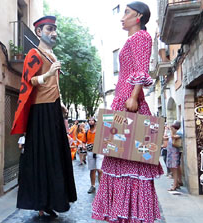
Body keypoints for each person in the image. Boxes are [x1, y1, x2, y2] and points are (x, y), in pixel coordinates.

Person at [92, 2, 163, 222]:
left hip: (129, 101)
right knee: (120, 157)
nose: (122, 17)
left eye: (127, 13)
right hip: (122, 99)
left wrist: (133, 96)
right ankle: (124, 213)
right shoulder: (131, 39)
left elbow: (142, 69)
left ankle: (132, 214)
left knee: (131, 157)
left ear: (138, 17)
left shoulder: (141, 37)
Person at [11, 15, 77, 218]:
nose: (54, 33)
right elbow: (29, 80)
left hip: (54, 108)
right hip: (41, 111)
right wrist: (48, 75)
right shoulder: (34, 52)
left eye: (55, 29)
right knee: (43, 156)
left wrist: (62, 103)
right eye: (49, 29)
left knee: (56, 156)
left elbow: (53, 85)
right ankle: (41, 200)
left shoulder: (52, 54)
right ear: (39, 32)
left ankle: (53, 199)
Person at [84, 117, 104, 194]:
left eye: (92, 120)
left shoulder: (100, 131)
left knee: (99, 170)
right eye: (89, 120)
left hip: (99, 151)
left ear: (95, 122)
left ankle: (102, 187)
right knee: (92, 169)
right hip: (90, 151)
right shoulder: (87, 132)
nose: (91, 121)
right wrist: (83, 145)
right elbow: (83, 141)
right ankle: (92, 185)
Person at [165, 121, 183, 191]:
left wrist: (172, 131)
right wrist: (166, 130)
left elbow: (173, 137)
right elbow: (166, 138)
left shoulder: (179, 133)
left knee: (175, 169)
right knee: (172, 168)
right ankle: (177, 182)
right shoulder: (172, 133)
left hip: (174, 154)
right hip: (170, 153)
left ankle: (175, 184)